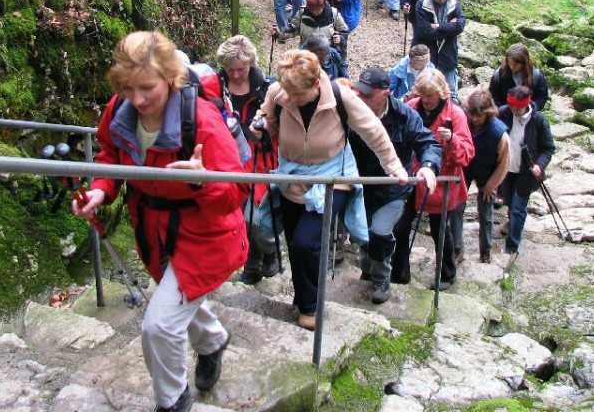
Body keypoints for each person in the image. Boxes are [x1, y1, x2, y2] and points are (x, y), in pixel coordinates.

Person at [72, 31, 247, 412]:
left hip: (205, 235)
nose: (137, 99)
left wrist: (202, 179)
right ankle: (214, 340)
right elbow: (109, 152)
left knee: (159, 325)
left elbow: (236, 193)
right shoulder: (120, 108)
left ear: (170, 78)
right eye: (128, 88)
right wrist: (101, 190)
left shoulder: (200, 119)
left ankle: (172, 401)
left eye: (147, 88)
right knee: (176, 301)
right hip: (153, 230)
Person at [252, 50, 406, 330]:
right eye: (289, 93)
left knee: (306, 242)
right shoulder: (279, 92)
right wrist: (260, 125)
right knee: (294, 245)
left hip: (333, 177)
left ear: (315, 84)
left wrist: (393, 166)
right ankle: (302, 297)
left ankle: (311, 306)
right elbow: (267, 118)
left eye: (299, 95)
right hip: (291, 176)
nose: (293, 101)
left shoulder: (340, 97)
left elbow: (373, 130)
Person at [349, 66, 439, 303]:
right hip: (360, 186)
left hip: (393, 190)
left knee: (379, 232)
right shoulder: (350, 112)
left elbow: (427, 142)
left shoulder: (404, 115)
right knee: (362, 234)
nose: (361, 98)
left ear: (385, 94)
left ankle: (381, 278)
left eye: (368, 94)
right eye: (359, 92)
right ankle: (367, 269)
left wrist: (428, 165)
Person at [392, 69, 473, 290]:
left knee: (440, 231)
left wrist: (453, 139)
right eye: (423, 94)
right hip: (411, 177)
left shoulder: (455, 114)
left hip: (440, 180)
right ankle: (400, 273)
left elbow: (467, 153)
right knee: (399, 226)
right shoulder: (410, 107)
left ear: (441, 93)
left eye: (431, 96)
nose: (426, 100)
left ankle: (447, 274)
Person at [216, 35, 279, 285]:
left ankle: (269, 250)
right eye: (230, 69)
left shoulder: (266, 88)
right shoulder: (216, 88)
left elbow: (282, 122)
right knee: (241, 214)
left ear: (251, 63)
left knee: (255, 217)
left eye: (240, 69)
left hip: (261, 159)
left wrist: (268, 128)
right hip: (228, 158)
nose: (235, 74)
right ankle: (252, 262)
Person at [497, 85, 555, 262]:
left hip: (526, 173)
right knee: (508, 201)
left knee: (518, 208)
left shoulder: (538, 121)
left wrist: (539, 165)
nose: (514, 110)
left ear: (526, 104)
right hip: (505, 169)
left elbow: (548, 148)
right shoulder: (503, 114)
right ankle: (511, 223)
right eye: (511, 106)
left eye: (517, 107)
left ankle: (512, 245)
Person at [460, 89, 510, 264]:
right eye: (472, 114)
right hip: (464, 169)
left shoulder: (499, 133)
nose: (475, 119)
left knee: (486, 215)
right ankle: (458, 249)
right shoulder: (463, 121)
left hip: (488, 172)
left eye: (479, 116)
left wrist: (492, 184)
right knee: (457, 209)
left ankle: (485, 251)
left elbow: (504, 163)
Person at [414, 0, 466, 98]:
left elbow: (460, 26)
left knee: (451, 92)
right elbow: (424, 31)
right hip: (427, 52)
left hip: (448, 53)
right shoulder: (421, 4)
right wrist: (449, 28)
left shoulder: (454, 3)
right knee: (423, 91)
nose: (442, 0)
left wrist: (438, 26)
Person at [280, 0, 348, 51]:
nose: (315, 12)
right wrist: (279, 33)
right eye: (312, 9)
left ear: (323, 5)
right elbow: (293, 29)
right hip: (306, 54)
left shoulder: (334, 13)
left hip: (326, 55)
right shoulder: (302, 12)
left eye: (318, 9)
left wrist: (340, 39)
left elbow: (344, 32)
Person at [488, 43, 549, 112]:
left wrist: (531, 108)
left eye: (515, 65)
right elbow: (493, 96)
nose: (511, 67)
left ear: (524, 63)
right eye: (510, 63)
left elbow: (542, 97)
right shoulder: (499, 75)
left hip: (528, 115)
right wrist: (505, 110)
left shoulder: (536, 76)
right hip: (505, 116)